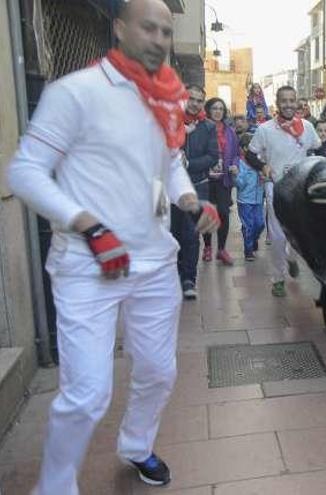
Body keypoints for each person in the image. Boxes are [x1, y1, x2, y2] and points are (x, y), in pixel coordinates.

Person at [6, 1, 221, 491]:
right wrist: (87, 224)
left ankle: (137, 445)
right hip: (88, 266)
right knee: (86, 395)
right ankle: (55, 486)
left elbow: (167, 165)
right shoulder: (76, 93)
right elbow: (24, 172)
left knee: (158, 372)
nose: (161, 38)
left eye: (167, 30)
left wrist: (189, 202)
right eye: (149, 27)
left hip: (154, 262)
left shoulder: (163, 99)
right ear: (120, 28)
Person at [246, 86, 321, 297]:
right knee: (278, 236)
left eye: (292, 100)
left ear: (297, 102)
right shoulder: (265, 129)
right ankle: (278, 278)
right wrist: (263, 167)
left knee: (300, 234)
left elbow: (317, 148)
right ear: (277, 104)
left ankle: (291, 257)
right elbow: (250, 154)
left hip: (301, 189)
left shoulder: (306, 127)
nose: (288, 104)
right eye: (284, 101)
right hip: (275, 188)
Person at [173, 84, 218, 300]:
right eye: (191, 98)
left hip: (197, 185)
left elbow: (213, 157)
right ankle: (174, 276)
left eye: (199, 100)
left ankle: (189, 279)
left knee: (191, 233)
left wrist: (189, 164)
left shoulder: (208, 127)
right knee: (170, 233)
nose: (195, 103)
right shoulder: (169, 120)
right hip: (168, 189)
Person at [203, 97, 239, 266]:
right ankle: (208, 247)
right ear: (208, 110)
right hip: (205, 179)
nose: (218, 111)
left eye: (221, 109)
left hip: (224, 179)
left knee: (224, 213)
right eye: (214, 108)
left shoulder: (230, 131)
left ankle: (222, 249)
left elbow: (236, 154)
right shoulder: (201, 128)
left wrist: (234, 165)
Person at [234, 134, 266, 261]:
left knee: (260, 224)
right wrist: (237, 175)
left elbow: (266, 177)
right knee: (248, 226)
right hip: (245, 200)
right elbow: (240, 185)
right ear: (243, 149)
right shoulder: (240, 164)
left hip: (258, 200)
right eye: (247, 148)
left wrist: (264, 177)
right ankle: (248, 250)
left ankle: (253, 239)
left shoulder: (259, 163)